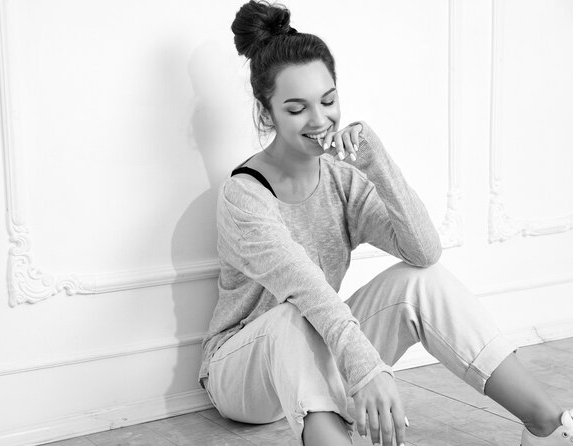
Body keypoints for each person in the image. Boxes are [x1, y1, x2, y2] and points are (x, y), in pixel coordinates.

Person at [198, 1, 572, 445]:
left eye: (329, 100)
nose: (319, 120)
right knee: (289, 315)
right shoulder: (245, 195)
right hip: (244, 376)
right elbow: (307, 290)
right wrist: (367, 368)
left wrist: (376, 162)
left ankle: (548, 424)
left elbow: (423, 251)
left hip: (314, 356)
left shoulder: (341, 178)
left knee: (422, 280)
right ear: (267, 114)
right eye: (296, 108)